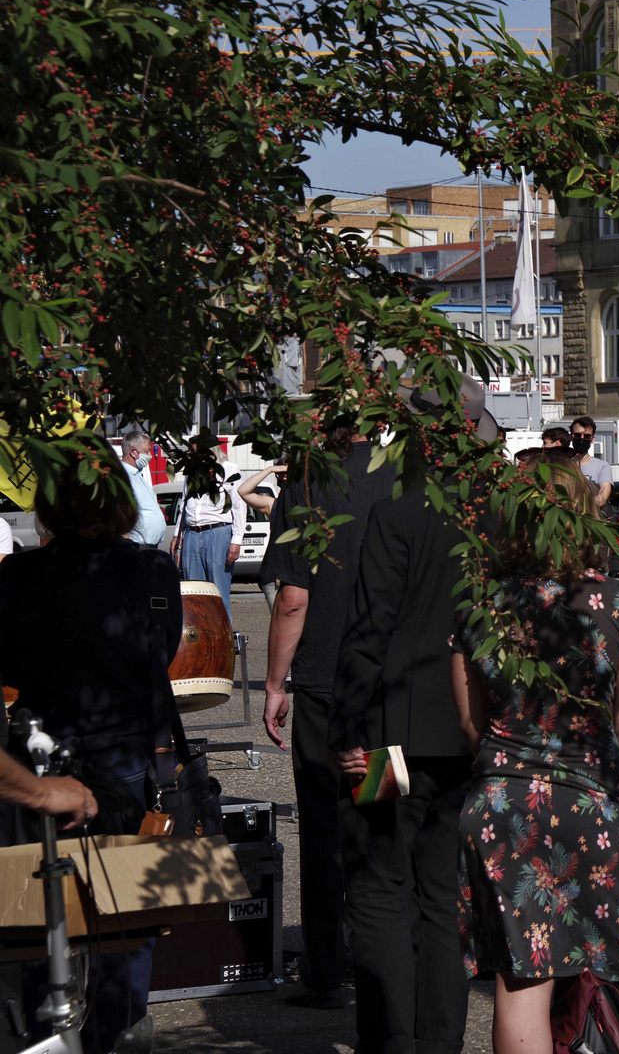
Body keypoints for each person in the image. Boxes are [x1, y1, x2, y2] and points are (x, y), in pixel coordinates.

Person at [449, 459, 619, 1054]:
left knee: (525, 974)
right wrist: (599, 784)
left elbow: (471, 721)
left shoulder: (481, 604)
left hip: (504, 798)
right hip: (592, 795)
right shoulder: (614, 603)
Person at [0, 463, 184, 1051]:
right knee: (124, 929)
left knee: (38, 924)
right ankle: (115, 1037)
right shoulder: (152, 568)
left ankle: (41, 1035)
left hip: (39, 756)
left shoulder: (20, 574)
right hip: (128, 756)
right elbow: (164, 651)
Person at [329, 474, 479, 1052]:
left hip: (387, 733)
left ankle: (392, 1038)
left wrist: (345, 726)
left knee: (378, 884)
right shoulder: (493, 517)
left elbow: (370, 629)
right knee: (442, 894)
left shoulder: (399, 514)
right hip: (462, 729)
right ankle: (439, 1041)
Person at [261, 423, 399, 1009]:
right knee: (379, 815)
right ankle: (388, 964)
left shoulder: (309, 485)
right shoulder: (404, 476)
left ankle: (325, 969)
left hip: (324, 682)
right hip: (387, 682)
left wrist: (273, 683)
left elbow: (293, 597)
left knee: (322, 822)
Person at [172, 439, 247, 618]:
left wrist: (236, 540)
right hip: (191, 533)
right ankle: (200, 643)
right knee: (194, 594)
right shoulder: (191, 472)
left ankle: (224, 643)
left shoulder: (229, 469)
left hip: (218, 532)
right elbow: (184, 502)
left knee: (218, 594)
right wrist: (177, 533)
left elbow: (239, 506)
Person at [237, 463, 288, 609]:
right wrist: (269, 470)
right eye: (280, 474)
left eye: (287, 473)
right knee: (276, 619)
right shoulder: (272, 504)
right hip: (273, 569)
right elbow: (243, 491)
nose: (283, 477)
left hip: (295, 571)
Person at [119, 426, 167, 547]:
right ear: (133, 452)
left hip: (148, 546)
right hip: (136, 546)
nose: (150, 455)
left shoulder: (138, 475)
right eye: (146, 451)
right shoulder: (123, 477)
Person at [570, 416, 615, 510]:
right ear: (571, 437)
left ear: (592, 439)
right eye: (577, 435)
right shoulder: (565, 464)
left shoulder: (602, 466)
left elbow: (602, 499)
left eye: (586, 436)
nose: (582, 439)